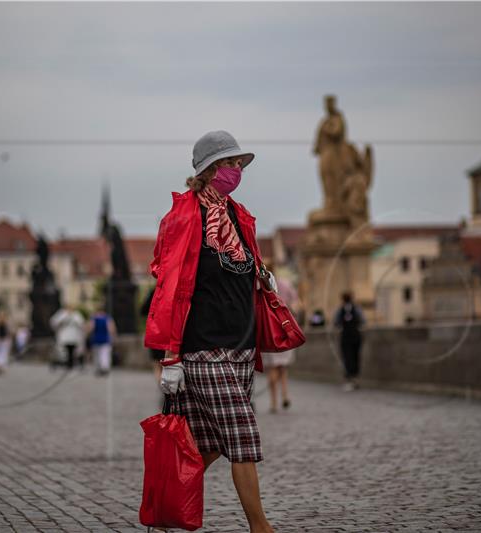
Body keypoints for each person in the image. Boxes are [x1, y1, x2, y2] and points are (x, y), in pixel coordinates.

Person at [145, 130, 274, 533]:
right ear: (209, 170)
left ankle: (165, 503)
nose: (238, 170)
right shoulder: (185, 218)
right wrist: (170, 356)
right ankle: (261, 528)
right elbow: (167, 286)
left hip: (241, 345)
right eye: (231, 164)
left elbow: (241, 272)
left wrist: (262, 276)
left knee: (211, 443)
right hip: (203, 348)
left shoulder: (238, 216)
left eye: (239, 164)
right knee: (242, 435)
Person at [263, 274, 300, 413]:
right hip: (284, 329)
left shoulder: (260, 283)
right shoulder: (284, 283)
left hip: (269, 330)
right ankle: (285, 395)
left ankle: (273, 402)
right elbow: (296, 304)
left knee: (272, 369)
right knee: (283, 368)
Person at [334, 292, 364, 391]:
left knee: (351, 358)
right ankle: (352, 378)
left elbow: (336, 323)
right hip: (352, 337)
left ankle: (352, 378)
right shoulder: (356, 309)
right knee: (351, 358)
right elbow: (363, 321)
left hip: (350, 337)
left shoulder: (341, 310)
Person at [140, 287, 166, 383]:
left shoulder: (155, 291)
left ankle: (164, 390)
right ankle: (168, 391)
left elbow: (143, 310)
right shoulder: (173, 289)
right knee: (167, 363)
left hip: (155, 331)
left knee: (156, 364)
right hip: (169, 331)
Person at [50, 304, 85, 370]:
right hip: (64, 336)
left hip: (74, 337)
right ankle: (64, 363)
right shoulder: (61, 314)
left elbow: (81, 324)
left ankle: (71, 364)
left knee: (72, 351)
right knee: (63, 351)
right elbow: (54, 322)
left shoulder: (76, 315)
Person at [88, 306, 116, 376]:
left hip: (96, 338)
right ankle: (105, 368)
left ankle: (98, 368)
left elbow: (91, 327)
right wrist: (113, 336)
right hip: (105, 339)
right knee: (105, 354)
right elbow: (111, 328)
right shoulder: (107, 318)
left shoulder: (94, 318)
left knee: (96, 355)